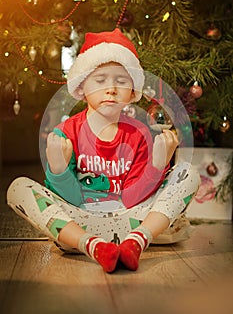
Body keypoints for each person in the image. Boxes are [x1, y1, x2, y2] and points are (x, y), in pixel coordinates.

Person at [7, 28, 200, 273]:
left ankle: (136, 242)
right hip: (78, 226)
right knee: (19, 188)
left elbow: (132, 198)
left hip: (133, 221)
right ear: (81, 87)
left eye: (121, 81)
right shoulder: (65, 133)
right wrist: (58, 171)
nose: (111, 89)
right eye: (100, 81)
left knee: (187, 172)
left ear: (132, 93)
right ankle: (95, 246)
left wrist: (157, 165)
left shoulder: (139, 135)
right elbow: (73, 199)